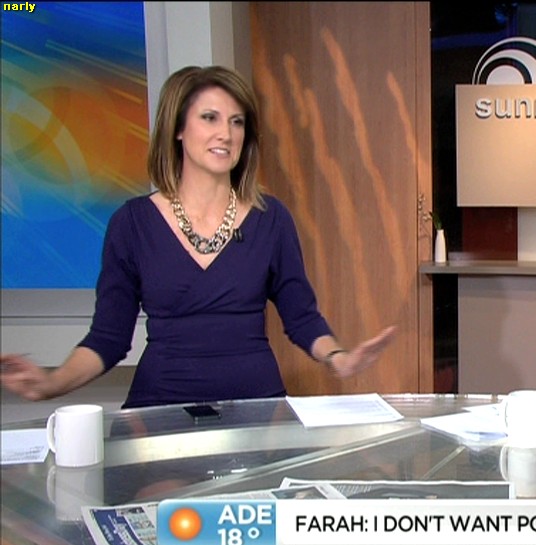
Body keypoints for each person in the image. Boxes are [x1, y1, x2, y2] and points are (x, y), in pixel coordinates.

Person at [1, 65, 397, 408]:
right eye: (210, 118)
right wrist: (51, 384)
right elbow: (108, 337)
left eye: (237, 121)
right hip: (161, 409)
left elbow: (301, 317)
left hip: (256, 409)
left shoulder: (271, 219)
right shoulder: (132, 223)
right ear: (177, 128)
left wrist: (338, 358)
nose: (226, 133)